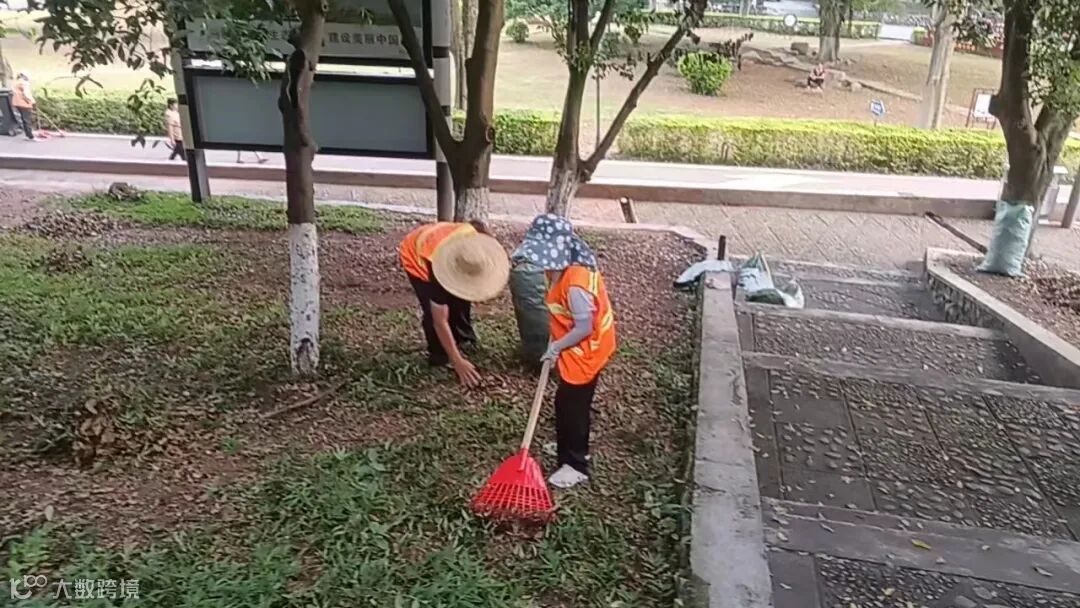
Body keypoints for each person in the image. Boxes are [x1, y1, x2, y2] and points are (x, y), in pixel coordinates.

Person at [514, 214, 616, 489]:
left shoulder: (576, 285)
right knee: (565, 403)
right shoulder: (560, 268)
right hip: (576, 348)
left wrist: (557, 347)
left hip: (586, 352)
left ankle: (576, 463)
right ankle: (566, 445)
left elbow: (584, 327)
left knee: (573, 407)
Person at [399, 221, 510, 387]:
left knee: (461, 294)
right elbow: (439, 321)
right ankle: (439, 356)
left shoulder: (474, 240)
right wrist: (457, 361)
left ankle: (464, 338)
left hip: (438, 239)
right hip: (416, 253)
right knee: (433, 312)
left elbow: (477, 225)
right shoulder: (435, 270)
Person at [12, 72, 36, 141]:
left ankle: (28, 134)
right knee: (27, 120)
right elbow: (27, 94)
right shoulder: (25, 83)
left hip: (17, 103)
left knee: (24, 119)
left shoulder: (17, 83)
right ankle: (30, 136)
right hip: (25, 103)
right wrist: (33, 101)